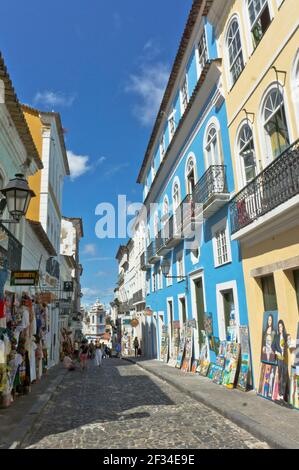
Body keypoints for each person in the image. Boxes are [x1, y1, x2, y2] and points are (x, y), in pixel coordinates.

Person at [272, 320, 289, 402]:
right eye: (279, 327)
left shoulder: (286, 336)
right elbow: (272, 346)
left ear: (283, 327)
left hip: (285, 358)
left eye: (281, 326)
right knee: (280, 376)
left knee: (284, 376)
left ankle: (283, 395)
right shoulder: (276, 337)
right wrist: (276, 352)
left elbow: (289, 344)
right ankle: (280, 394)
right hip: (279, 358)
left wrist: (289, 341)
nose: (280, 328)